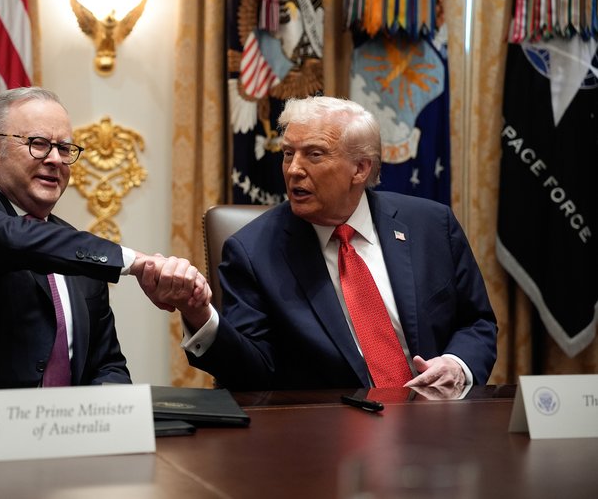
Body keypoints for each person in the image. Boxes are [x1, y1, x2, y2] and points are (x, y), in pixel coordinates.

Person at [141, 96, 497, 392]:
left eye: (314, 154)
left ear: (359, 169)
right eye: (287, 154)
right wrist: (200, 315)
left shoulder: (431, 226)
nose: (293, 169)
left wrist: (458, 363)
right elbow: (252, 374)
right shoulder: (253, 253)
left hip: (436, 426)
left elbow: (477, 322)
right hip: (328, 438)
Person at [0, 86, 207, 401]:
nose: (55, 160)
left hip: (68, 436)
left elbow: (106, 364)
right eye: (38, 144)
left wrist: (116, 423)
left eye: (64, 149)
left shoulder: (79, 255)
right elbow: (13, 238)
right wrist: (136, 262)